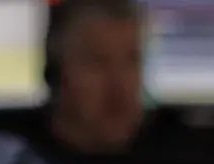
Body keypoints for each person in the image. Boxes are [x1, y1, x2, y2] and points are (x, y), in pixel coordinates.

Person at [43, 0, 147, 155]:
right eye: (98, 62)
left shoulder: (175, 159)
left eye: (132, 60)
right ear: (56, 72)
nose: (119, 84)